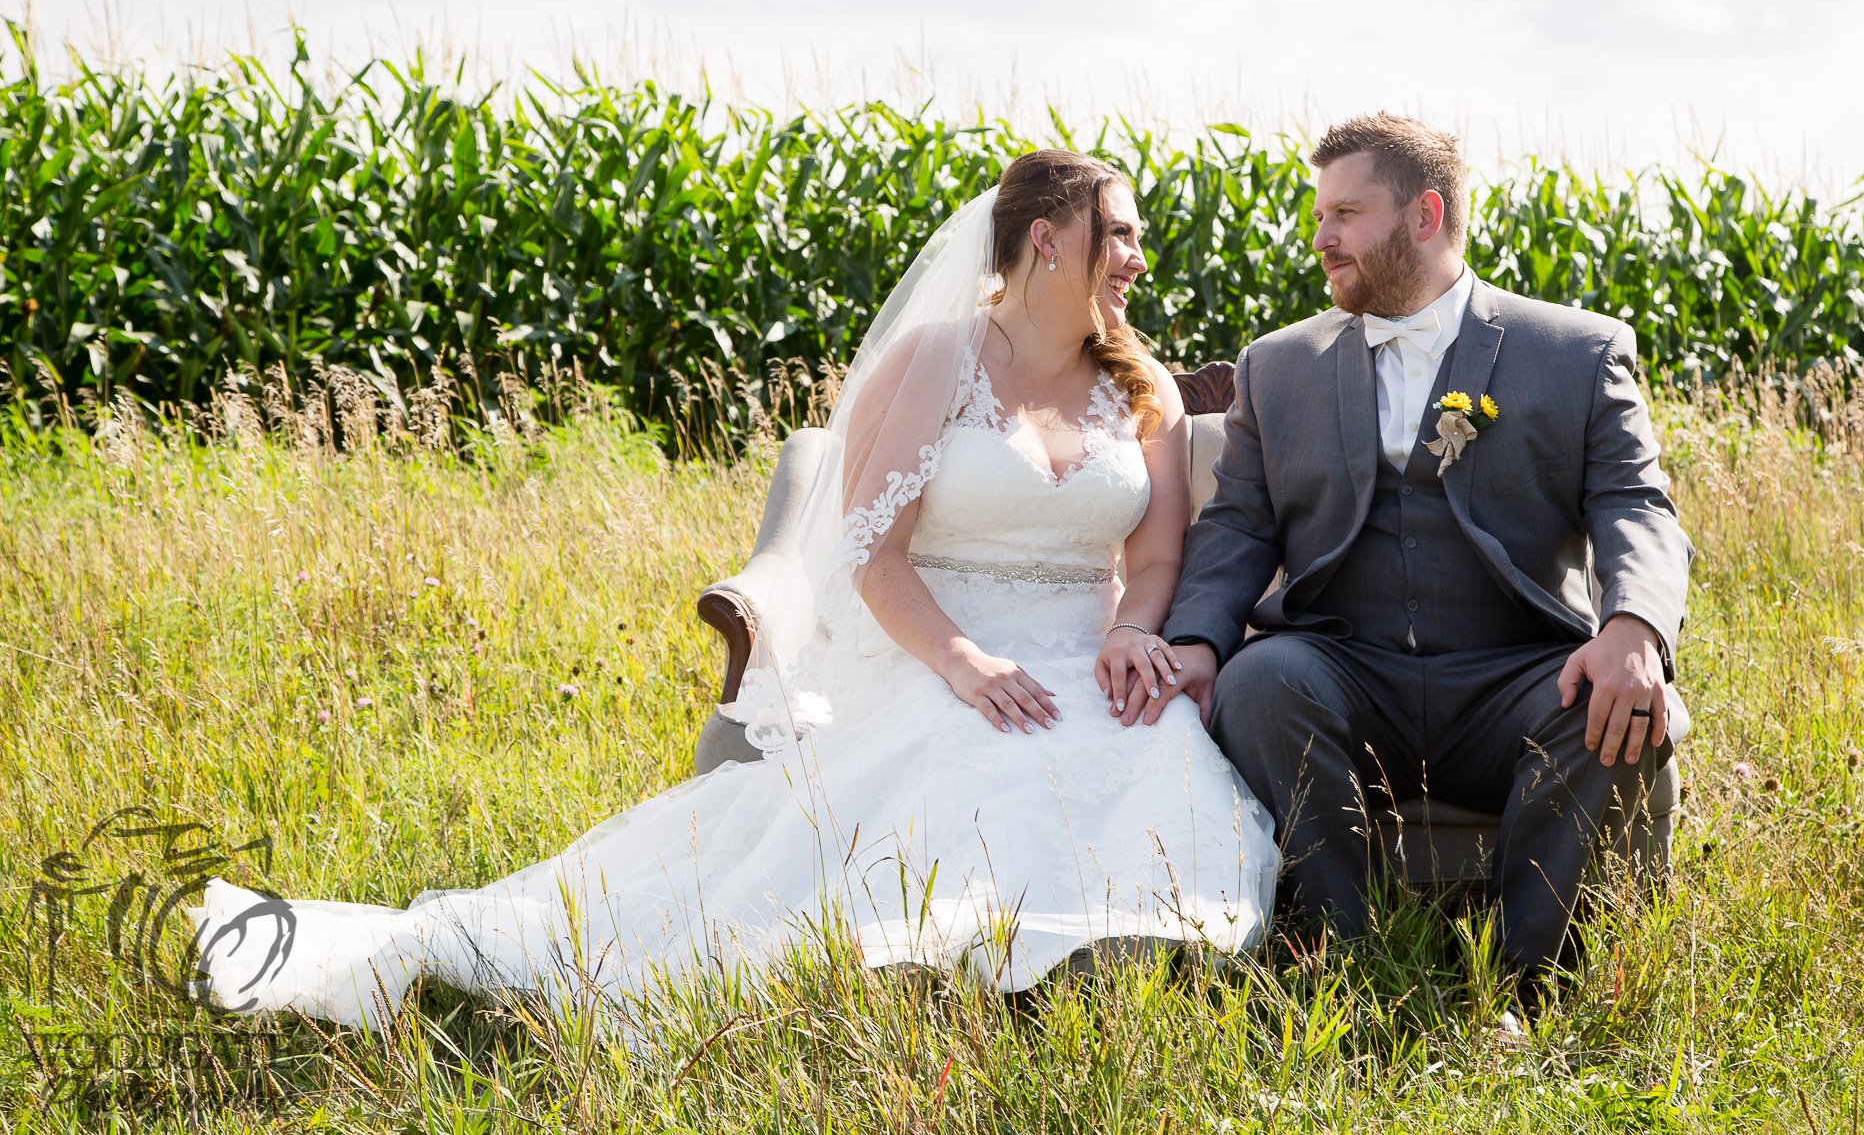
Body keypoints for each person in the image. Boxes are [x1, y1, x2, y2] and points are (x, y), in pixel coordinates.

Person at [189, 150, 1279, 1031]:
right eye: (1119, 231)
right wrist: (963, 665)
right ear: (1046, 238)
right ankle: (931, 981)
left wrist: (1137, 632)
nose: (1137, 255)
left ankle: (1097, 969)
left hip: (1084, 658)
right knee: (959, 779)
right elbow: (873, 552)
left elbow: (1153, 557)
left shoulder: (1136, 384)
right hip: (946, 652)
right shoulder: (939, 361)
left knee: (1156, 772)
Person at [1148, 113, 1692, 990]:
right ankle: (1344, 963)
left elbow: (1636, 502)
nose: (1322, 237)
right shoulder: (1276, 366)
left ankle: (1523, 981)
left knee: (1613, 703)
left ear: (1425, 214)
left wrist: (1633, 625)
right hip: (1344, 669)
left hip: (1513, 673)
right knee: (1259, 680)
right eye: (1320, 215)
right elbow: (1239, 524)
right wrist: (1200, 643)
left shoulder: (1578, 353)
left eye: (1347, 214)